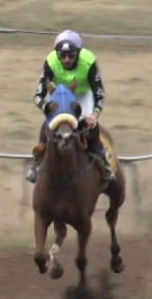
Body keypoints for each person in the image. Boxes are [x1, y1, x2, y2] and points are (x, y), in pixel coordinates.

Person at [26, 29, 114, 184]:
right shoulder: (51, 61)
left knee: (89, 124)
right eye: (63, 55)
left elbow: (99, 93)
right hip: (59, 96)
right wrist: (47, 108)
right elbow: (38, 96)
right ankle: (36, 161)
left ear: (79, 53)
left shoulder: (88, 61)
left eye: (71, 55)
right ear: (57, 54)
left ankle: (103, 161)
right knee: (48, 124)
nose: (66, 59)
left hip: (82, 94)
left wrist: (94, 114)